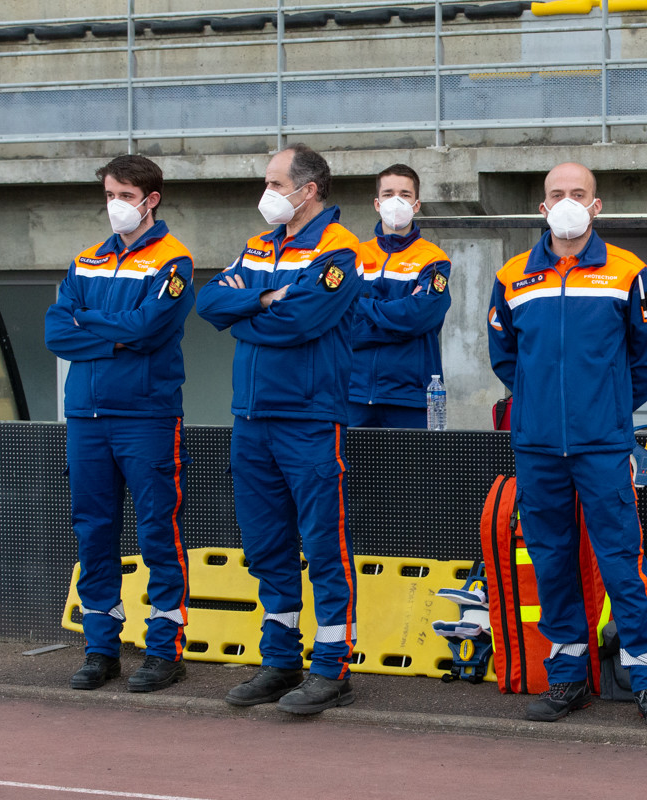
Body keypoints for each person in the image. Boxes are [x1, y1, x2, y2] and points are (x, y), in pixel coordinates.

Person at [487, 162, 647, 730]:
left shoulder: (628, 272)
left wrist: (610, 409)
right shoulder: (512, 275)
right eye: (556, 194)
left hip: (603, 444)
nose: (566, 201)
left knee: (621, 562)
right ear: (542, 207)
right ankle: (568, 675)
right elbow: (506, 358)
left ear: (596, 206)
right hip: (538, 446)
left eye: (578, 193)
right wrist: (538, 407)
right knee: (551, 562)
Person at [196, 144, 364, 715]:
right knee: (267, 548)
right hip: (251, 420)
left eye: (275, 181)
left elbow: (302, 322)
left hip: (309, 420)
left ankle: (331, 668)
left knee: (322, 546)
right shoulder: (258, 245)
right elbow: (209, 302)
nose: (266, 191)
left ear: (308, 189)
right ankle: (279, 659)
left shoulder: (341, 250)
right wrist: (266, 298)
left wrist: (250, 312)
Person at [45, 155, 193, 693]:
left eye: (125, 196)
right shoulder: (85, 260)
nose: (116, 205)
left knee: (159, 534)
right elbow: (56, 332)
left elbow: (153, 328)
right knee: (93, 532)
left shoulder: (174, 260)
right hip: (85, 417)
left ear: (150, 200)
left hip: (147, 416)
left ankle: (163, 652)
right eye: (110, 194)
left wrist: (92, 325)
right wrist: (115, 334)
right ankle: (101, 648)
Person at [347, 164, 452, 428]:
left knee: (413, 471)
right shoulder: (352, 256)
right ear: (376, 202)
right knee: (352, 471)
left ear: (416, 205)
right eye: (388, 193)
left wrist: (363, 304)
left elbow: (417, 318)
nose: (396, 201)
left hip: (410, 398)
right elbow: (338, 319)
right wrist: (398, 315)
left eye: (405, 194)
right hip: (353, 394)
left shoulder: (434, 259)